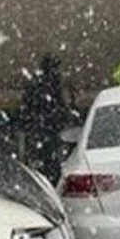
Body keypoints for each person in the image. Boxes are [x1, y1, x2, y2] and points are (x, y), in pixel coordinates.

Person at [20, 54, 75, 183]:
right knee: (51, 156)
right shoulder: (53, 82)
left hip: (40, 125)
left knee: (44, 155)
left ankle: (44, 176)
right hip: (49, 125)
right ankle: (51, 178)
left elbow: (28, 104)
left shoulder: (36, 82)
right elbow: (59, 104)